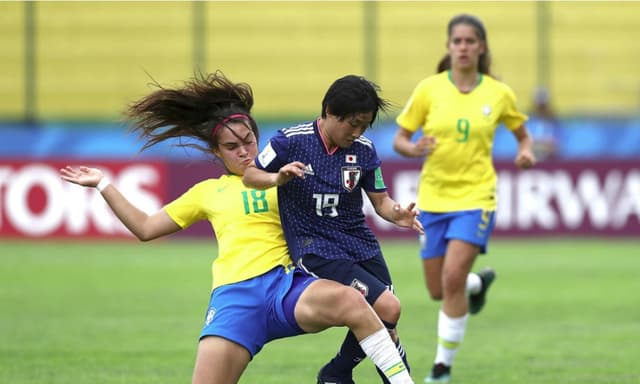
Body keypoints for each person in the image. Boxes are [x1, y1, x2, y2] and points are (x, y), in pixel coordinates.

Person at [59, 72, 415, 384]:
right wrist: (104, 185)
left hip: (289, 287)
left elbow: (340, 197)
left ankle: (343, 375)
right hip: (235, 300)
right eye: (232, 146)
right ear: (216, 153)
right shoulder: (206, 193)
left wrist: (391, 210)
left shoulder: (289, 178)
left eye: (249, 141)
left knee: (363, 304)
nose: (244, 152)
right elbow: (146, 227)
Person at [242, 74, 423, 384]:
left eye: (363, 126)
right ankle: (338, 372)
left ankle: (336, 374)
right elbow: (250, 174)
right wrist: (276, 178)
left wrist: (397, 214)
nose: (357, 132)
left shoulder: (364, 151)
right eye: (352, 123)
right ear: (328, 112)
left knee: (386, 325)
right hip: (316, 248)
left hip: (360, 244)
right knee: (388, 308)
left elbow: (381, 201)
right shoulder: (290, 141)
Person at [392, 14, 536, 383]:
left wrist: (525, 151)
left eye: (470, 41)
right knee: (439, 289)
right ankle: (477, 284)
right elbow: (400, 139)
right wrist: (413, 149)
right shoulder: (429, 89)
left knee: (452, 276)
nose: (463, 47)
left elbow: (522, 135)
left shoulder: (498, 94)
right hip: (434, 197)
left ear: (481, 47)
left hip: (476, 196)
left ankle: (441, 369)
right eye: (457, 41)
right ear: (448, 46)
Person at [528, 86, 560, 161]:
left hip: (551, 161)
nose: (541, 109)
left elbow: (557, 146)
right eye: (539, 106)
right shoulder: (528, 123)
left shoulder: (554, 124)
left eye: (543, 106)